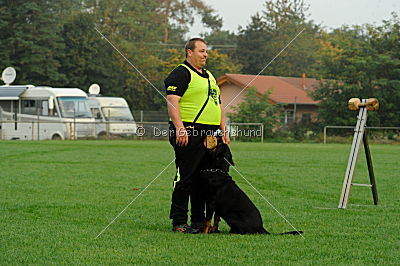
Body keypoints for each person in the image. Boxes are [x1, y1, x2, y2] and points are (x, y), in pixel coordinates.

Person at [165, 38, 230, 233]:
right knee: (186, 177)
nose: (205, 55)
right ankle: (179, 222)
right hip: (189, 131)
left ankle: (199, 221)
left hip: (210, 134)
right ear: (189, 52)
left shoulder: (210, 76)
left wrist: (223, 130)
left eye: (206, 52)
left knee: (205, 178)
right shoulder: (181, 73)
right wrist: (180, 128)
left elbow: (218, 105)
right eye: (201, 51)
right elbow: (172, 101)